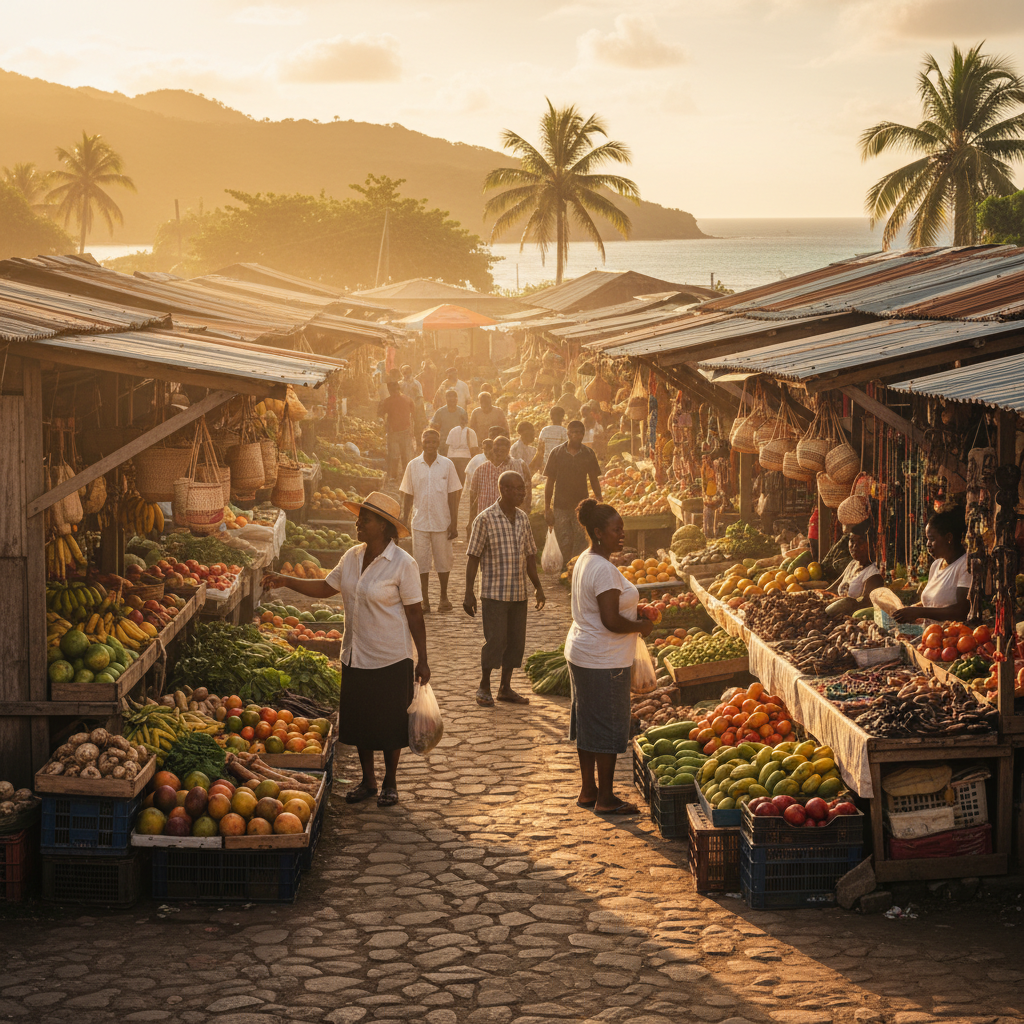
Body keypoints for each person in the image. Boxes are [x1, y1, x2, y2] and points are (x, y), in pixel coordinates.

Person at [261, 492, 427, 809]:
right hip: (355, 653)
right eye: (359, 517)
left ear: (384, 526)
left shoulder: (403, 564)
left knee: (392, 725)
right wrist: (285, 580)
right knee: (362, 721)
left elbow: (415, 614)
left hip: (391, 656)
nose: (358, 522)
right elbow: (326, 587)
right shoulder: (351, 557)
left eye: (365, 519)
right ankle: (368, 781)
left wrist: (424, 659)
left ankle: (390, 782)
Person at [564, 499, 651, 815]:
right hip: (604, 660)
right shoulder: (603, 569)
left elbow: (603, 609)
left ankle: (589, 791)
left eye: (623, 528)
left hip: (584, 652)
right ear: (598, 532)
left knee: (588, 725)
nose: (622, 534)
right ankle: (606, 797)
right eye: (616, 530)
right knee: (608, 726)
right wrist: (642, 625)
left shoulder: (586, 560)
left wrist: (633, 612)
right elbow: (611, 621)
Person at [464, 470, 545, 707]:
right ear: (504, 490)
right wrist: (468, 592)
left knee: (515, 642)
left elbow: (530, 555)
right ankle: (484, 685)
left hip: (518, 593)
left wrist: (538, 587)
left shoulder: (522, 518)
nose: (523, 493)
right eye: (518, 488)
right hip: (494, 594)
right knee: (496, 640)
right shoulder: (485, 519)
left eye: (524, 488)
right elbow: (473, 557)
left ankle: (505, 687)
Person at [400, 429, 462, 613]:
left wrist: (454, 522)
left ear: (439, 443)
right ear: (422, 443)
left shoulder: (447, 465)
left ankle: (443, 597)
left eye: (434, 442)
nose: (431, 445)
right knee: (421, 561)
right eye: (427, 442)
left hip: (442, 521)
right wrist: (404, 518)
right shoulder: (413, 465)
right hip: (419, 522)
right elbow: (408, 494)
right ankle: (424, 600)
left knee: (444, 560)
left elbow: (453, 494)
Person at [893, 507, 972, 624]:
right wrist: (912, 609)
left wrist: (919, 612)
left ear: (949, 538)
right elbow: (932, 603)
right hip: (930, 636)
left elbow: (961, 611)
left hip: (952, 637)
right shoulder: (936, 565)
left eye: (932, 539)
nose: (928, 544)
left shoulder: (965, 565)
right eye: (927, 539)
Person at [544, 420, 602, 566]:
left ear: (583, 435)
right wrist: (547, 507)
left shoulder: (588, 453)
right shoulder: (556, 453)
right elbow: (550, 481)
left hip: (581, 505)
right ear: (568, 433)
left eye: (580, 432)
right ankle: (564, 570)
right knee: (563, 539)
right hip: (561, 505)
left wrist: (599, 499)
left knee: (581, 539)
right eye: (574, 432)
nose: (577, 435)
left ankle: (578, 569)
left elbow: (594, 479)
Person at [827, 521, 884, 616]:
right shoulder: (853, 564)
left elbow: (864, 604)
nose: (854, 546)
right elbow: (832, 588)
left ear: (872, 544)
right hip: (837, 614)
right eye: (852, 541)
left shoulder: (874, 573)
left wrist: (839, 602)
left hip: (851, 620)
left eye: (861, 542)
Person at [472, 435, 531, 520]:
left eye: (503, 448)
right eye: (497, 448)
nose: (500, 451)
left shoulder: (520, 465)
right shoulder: (481, 469)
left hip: (511, 517)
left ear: (508, 449)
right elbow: (473, 497)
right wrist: (471, 520)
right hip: (486, 518)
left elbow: (528, 491)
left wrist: (525, 512)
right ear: (492, 448)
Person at [378, 380, 415, 480]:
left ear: (390, 390)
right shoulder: (408, 399)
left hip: (394, 431)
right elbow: (413, 414)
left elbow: (381, 414)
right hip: (404, 430)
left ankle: (394, 476)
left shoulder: (388, 401)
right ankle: (405, 476)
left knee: (394, 455)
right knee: (405, 455)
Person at [430, 389, 467, 455]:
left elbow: (465, 428)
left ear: (457, 399)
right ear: (446, 399)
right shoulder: (440, 412)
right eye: (449, 398)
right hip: (443, 443)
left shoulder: (462, 412)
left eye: (454, 398)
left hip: (458, 444)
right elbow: (433, 426)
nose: (452, 400)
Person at [445, 419, 479, 485]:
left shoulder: (452, 430)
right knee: (463, 480)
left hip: (452, 456)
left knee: (453, 481)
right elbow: (474, 447)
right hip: (465, 457)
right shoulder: (471, 431)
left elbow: (447, 444)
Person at [537, 406, 569, 474]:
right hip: (560, 466)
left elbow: (540, 450)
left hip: (546, 465)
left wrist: (540, 466)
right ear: (562, 417)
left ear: (551, 417)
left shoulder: (544, 430)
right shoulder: (564, 431)